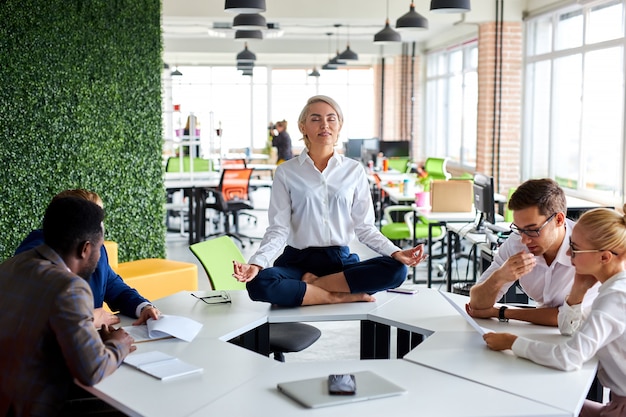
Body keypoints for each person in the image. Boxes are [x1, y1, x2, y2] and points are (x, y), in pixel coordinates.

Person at [232, 95, 427, 307]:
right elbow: (278, 229)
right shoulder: (286, 172)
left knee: (397, 270)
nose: (324, 125)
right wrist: (257, 263)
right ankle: (335, 296)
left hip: (340, 262)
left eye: (331, 118)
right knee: (259, 283)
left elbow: (365, 228)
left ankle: (314, 287)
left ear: (339, 125)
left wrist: (396, 252)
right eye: (315, 119)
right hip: (298, 262)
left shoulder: (354, 170)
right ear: (302, 127)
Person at [482, 207, 626, 417]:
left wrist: (512, 343)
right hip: (616, 404)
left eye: (575, 249)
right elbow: (568, 329)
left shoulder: (616, 297)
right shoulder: (612, 288)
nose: (568, 254)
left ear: (604, 257)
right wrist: (577, 291)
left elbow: (569, 357)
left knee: (529, 404)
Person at [0, 197, 135, 416]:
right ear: (85, 249)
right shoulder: (70, 287)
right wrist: (120, 344)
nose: (100, 256)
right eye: (99, 248)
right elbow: (92, 370)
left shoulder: (10, 266)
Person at [15, 189, 161, 328]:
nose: (100, 230)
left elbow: (115, 288)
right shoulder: (34, 255)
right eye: (95, 220)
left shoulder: (97, 249)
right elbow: (31, 316)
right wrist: (88, 318)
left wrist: (143, 307)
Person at [467, 178, 599, 331]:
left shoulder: (589, 250)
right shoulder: (516, 242)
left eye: (532, 229)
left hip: (586, 337)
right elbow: (476, 304)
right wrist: (500, 277)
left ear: (559, 219)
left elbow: (567, 317)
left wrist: (503, 312)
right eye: (519, 229)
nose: (524, 239)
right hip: (543, 333)